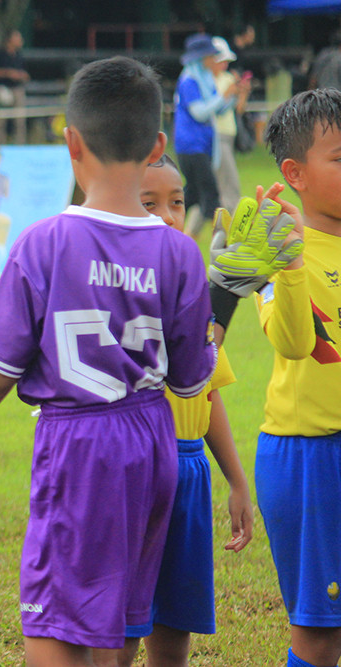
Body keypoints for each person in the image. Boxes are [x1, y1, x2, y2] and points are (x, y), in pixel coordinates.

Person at [0, 56, 224, 667]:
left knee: (54, 624)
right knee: (121, 617)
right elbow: (190, 379)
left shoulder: (44, 243)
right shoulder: (181, 254)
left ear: (71, 142)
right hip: (152, 440)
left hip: (79, 444)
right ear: (158, 144)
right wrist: (224, 297)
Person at [94, 155, 254, 667]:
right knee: (119, 633)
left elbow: (207, 390)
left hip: (189, 470)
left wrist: (236, 480)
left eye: (177, 202)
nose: (168, 215)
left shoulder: (190, 285)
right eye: (150, 203)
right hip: (135, 465)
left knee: (174, 628)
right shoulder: (112, 286)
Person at [258, 87, 341, 667]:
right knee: (320, 634)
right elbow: (293, 341)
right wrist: (287, 266)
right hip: (313, 456)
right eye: (339, 157)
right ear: (296, 173)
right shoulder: (273, 251)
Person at [173, 33, 242, 237]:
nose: (214, 59)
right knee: (210, 193)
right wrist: (223, 96)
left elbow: (217, 110)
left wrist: (232, 95)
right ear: (201, 57)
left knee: (193, 193)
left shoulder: (205, 79)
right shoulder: (188, 81)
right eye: (211, 56)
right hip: (190, 146)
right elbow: (199, 112)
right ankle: (220, 239)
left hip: (203, 145)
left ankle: (173, 229)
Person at [212, 37, 252, 210]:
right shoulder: (207, 81)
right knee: (229, 184)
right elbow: (213, 108)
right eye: (221, 61)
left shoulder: (228, 77)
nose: (224, 65)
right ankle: (231, 224)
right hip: (217, 135)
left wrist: (243, 92)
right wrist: (229, 92)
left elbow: (239, 109)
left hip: (229, 135)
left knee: (222, 183)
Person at [0, 29, 30, 144]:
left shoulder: (19, 55)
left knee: (19, 119)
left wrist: (21, 76)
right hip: (3, 89)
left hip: (17, 89)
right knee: (0, 120)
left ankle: (20, 145)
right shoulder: (0, 54)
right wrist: (8, 73)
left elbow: (25, 74)